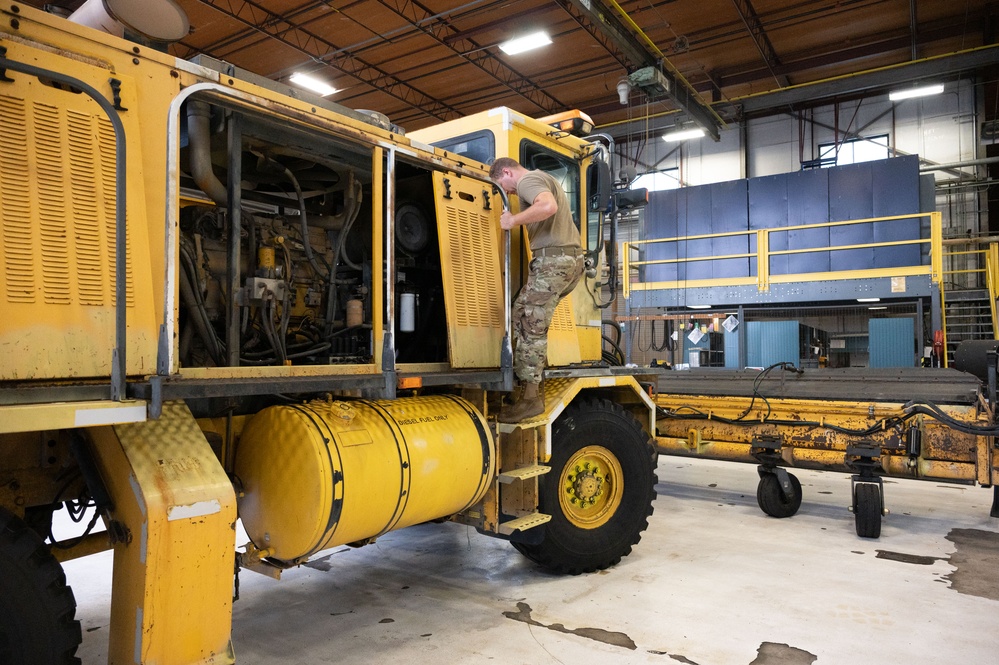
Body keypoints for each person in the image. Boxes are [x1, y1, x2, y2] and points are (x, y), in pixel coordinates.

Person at [489, 157, 585, 422]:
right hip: (564, 260)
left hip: (554, 261)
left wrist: (513, 220)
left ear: (506, 172)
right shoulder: (543, 177)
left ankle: (532, 399)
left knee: (532, 321)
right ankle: (523, 387)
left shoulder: (528, 180)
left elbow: (548, 206)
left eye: (502, 186)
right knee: (520, 313)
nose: (507, 192)